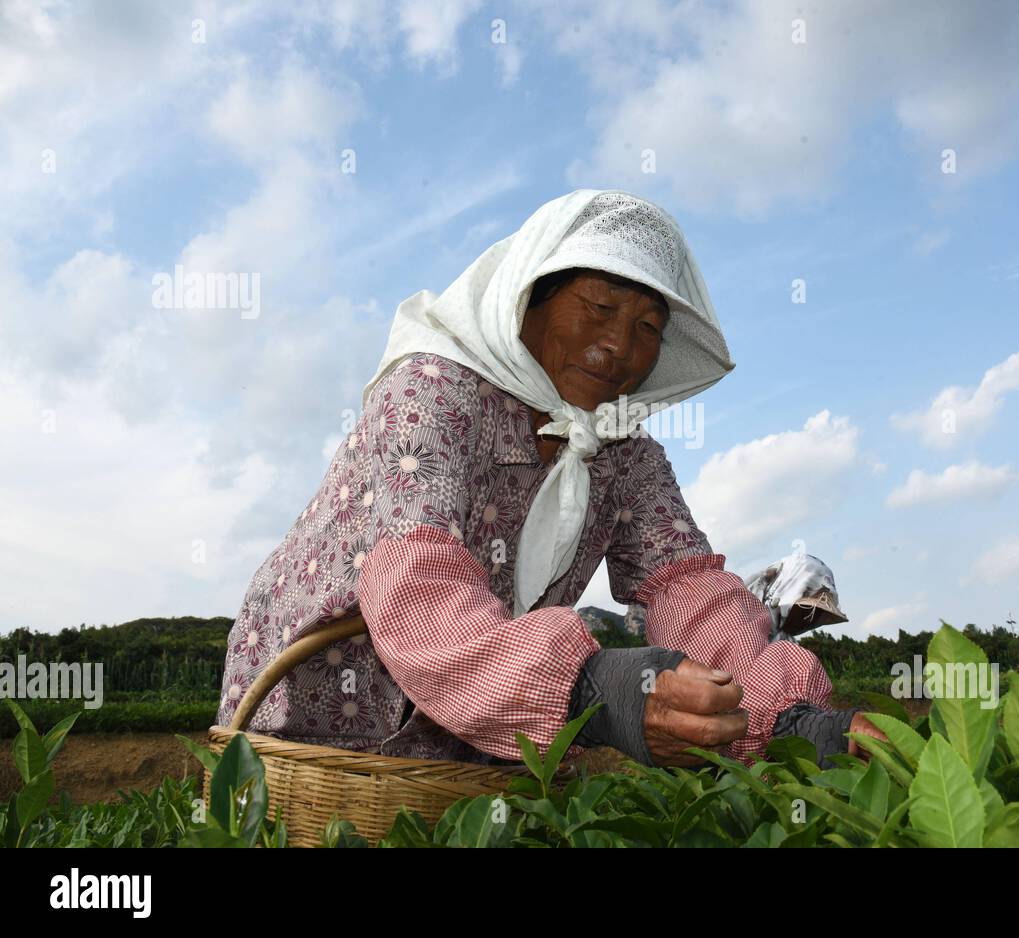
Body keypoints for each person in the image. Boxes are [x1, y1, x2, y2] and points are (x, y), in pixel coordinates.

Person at [215, 189, 885, 771]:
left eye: (647, 328)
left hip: (456, 745)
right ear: (528, 301)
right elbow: (417, 585)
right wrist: (596, 690)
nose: (619, 347)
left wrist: (795, 723)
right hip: (306, 721)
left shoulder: (624, 455)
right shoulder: (432, 394)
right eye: (598, 308)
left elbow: (691, 592)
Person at [743, 548, 849, 643]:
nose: (809, 620)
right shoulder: (744, 637)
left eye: (817, 613)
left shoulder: (778, 645)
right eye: (807, 608)